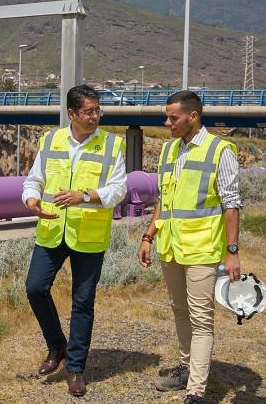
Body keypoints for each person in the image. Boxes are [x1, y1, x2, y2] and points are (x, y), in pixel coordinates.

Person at [21, 84, 127, 397]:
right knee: (34, 287)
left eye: (98, 110)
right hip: (52, 230)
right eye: (89, 111)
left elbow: (119, 190)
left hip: (89, 235)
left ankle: (76, 368)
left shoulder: (112, 145)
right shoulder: (51, 140)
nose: (96, 116)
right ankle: (57, 346)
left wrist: (86, 196)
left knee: (83, 303)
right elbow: (34, 180)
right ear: (72, 113)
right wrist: (30, 199)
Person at [138, 90, 242, 404]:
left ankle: (196, 390)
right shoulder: (169, 150)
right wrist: (148, 235)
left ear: (192, 117)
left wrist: (233, 252)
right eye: (166, 116)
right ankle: (186, 369)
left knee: (201, 318)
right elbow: (164, 201)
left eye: (173, 117)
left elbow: (232, 204)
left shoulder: (220, 150)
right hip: (170, 247)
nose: (167, 122)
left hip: (202, 248)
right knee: (180, 311)